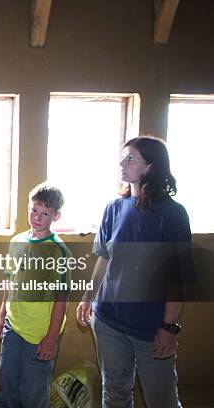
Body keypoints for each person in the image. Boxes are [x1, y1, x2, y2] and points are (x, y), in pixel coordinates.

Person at [76, 136, 194, 408]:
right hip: (108, 322)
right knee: (115, 393)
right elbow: (104, 259)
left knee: (161, 400)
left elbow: (178, 278)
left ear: (151, 167)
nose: (122, 162)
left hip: (151, 328)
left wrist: (169, 326)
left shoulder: (173, 214)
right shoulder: (114, 208)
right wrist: (87, 297)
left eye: (131, 158)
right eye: (123, 156)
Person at [0, 183, 70, 408]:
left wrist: (51, 338)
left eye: (45, 213)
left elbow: (62, 298)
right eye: (34, 210)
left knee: (34, 390)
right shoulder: (17, 241)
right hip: (13, 326)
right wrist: (2, 317)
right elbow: (9, 282)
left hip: (40, 334)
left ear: (56, 216)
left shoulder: (58, 251)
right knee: (6, 377)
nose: (38, 217)